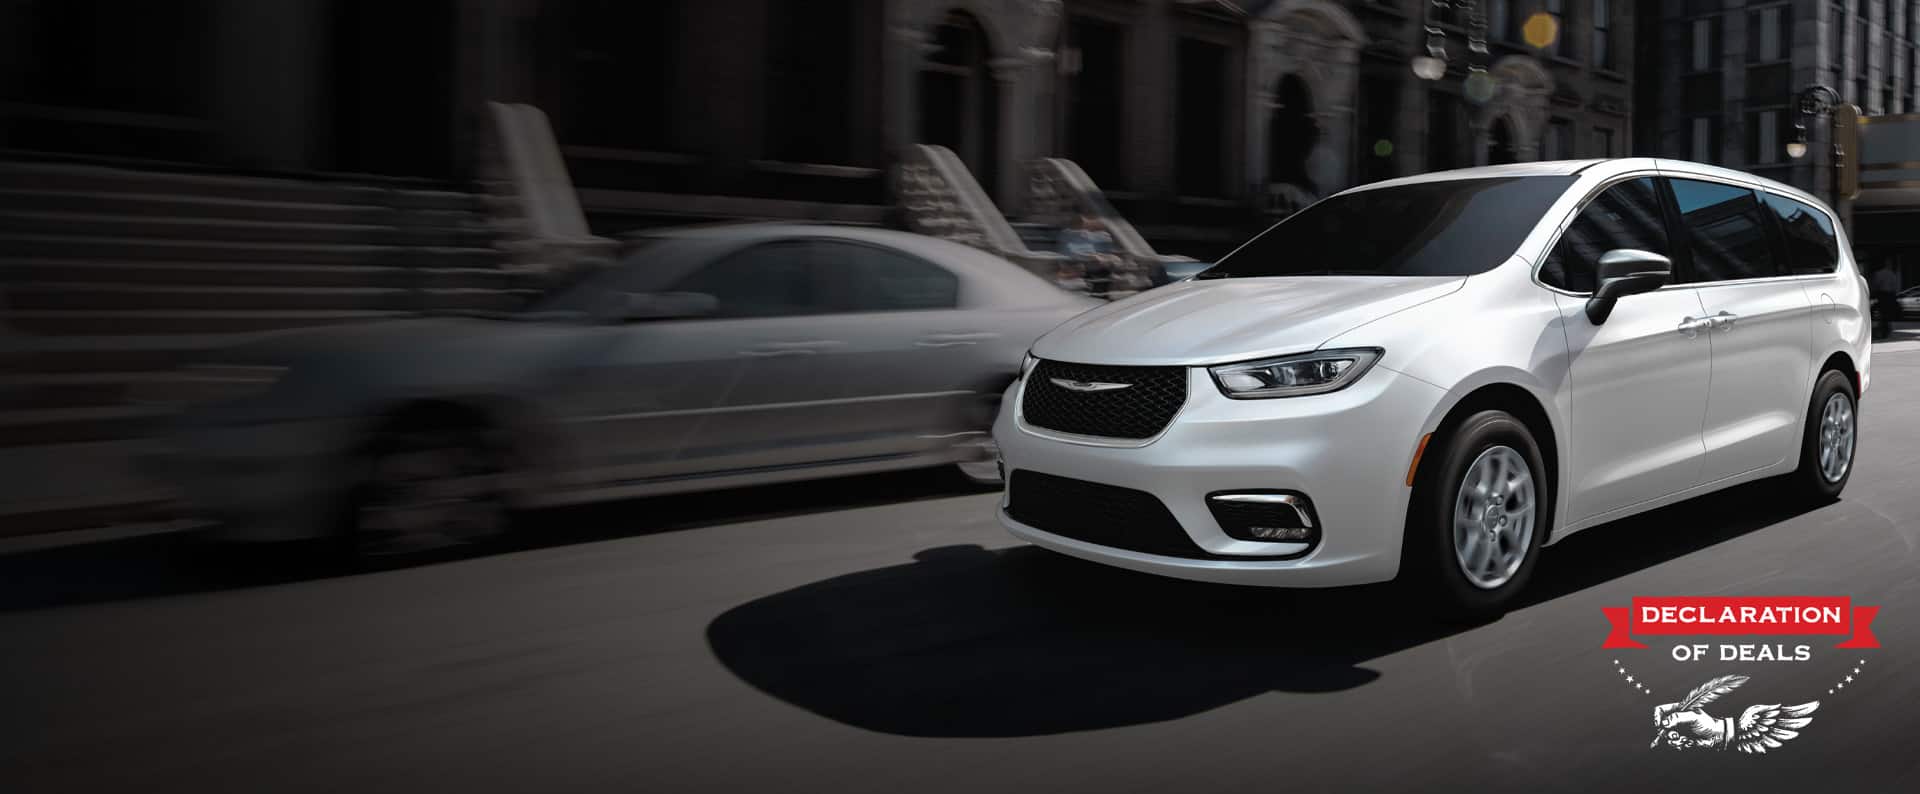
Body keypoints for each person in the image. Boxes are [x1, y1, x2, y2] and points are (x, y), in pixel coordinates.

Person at [1058, 214, 1120, 297]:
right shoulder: (1068, 235)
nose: (1086, 226)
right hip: (1082, 264)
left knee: (1106, 268)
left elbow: (1092, 250)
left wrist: (1099, 256)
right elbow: (1073, 254)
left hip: (1091, 265)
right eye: (1084, 223)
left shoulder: (1087, 234)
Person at [1870, 257, 1900, 341]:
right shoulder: (1893, 274)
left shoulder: (1879, 273)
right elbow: (1895, 286)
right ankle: (1885, 330)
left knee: (1882, 313)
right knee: (1887, 313)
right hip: (1890, 295)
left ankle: (1883, 330)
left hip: (1882, 295)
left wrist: (1873, 293)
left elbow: (1875, 285)